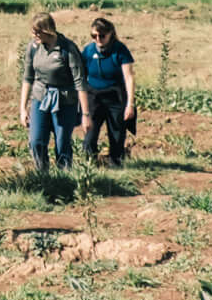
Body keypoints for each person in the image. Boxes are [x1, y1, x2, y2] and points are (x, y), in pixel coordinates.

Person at [18, 11, 86, 176]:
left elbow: (80, 82)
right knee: (36, 141)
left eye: (38, 32)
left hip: (64, 101)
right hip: (40, 98)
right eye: (33, 31)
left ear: (48, 30)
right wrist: (23, 108)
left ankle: (64, 177)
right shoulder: (33, 48)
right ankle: (43, 174)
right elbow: (28, 78)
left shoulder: (67, 48)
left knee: (62, 142)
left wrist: (86, 113)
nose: (34, 35)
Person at [80, 15, 138, 167]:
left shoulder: (120, 50)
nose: (98, 39)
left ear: (111, 34)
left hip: (115, 96)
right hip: (94, 96)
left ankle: (116, 165)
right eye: (94, 36)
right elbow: (80, 77)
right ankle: (89, 166)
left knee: (117, 134)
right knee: (90, 134)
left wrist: (130, 104)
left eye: (102, 36)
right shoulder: (88, 50)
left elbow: (129, 77)